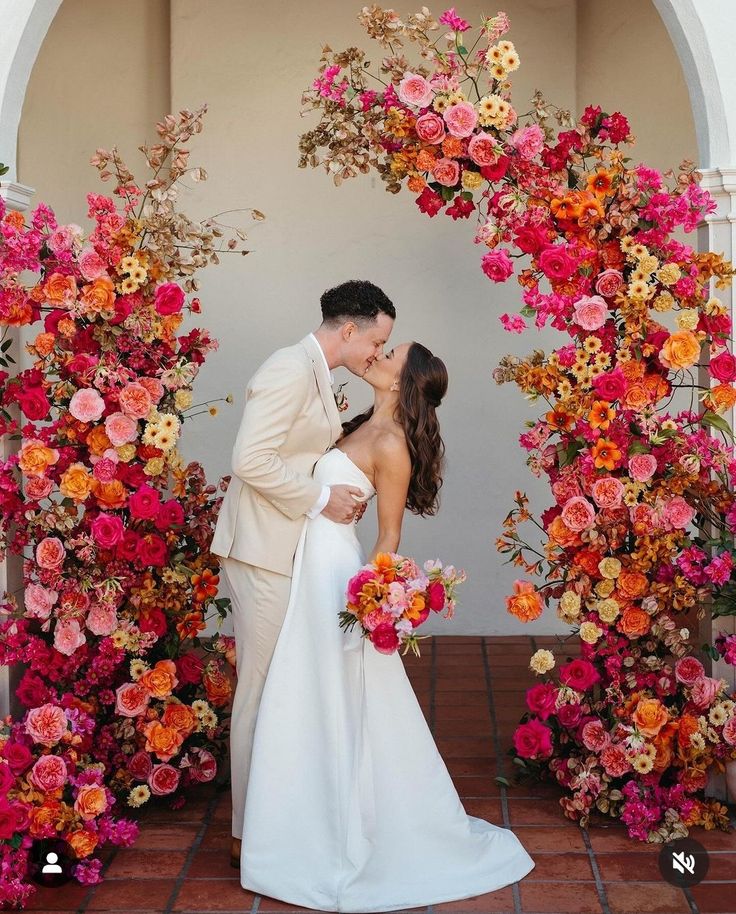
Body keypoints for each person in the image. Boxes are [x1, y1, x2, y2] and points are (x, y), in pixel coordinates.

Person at [239, 342, 536, 912]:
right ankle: (300, 821)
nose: (378, 355)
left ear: (407, 379)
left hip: (335, 577)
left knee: (335, 696)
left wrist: (373, 601)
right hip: (304, 565)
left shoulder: (392, 444)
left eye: (391, 353)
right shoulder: (351, 423)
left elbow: (389, 536)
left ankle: (339, 830)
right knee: (303, 693)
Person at [209, 279, 396, 867]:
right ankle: (248, 835)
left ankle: (272, 820)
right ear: (350, 329)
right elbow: (249, 460)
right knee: (260, 693)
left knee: (277, 689)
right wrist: (320, 499)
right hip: (261, 550)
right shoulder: (290, 368)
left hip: (283, 547)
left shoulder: (318, 371)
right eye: (378, 341)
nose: (377, 354)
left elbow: (294, 450)